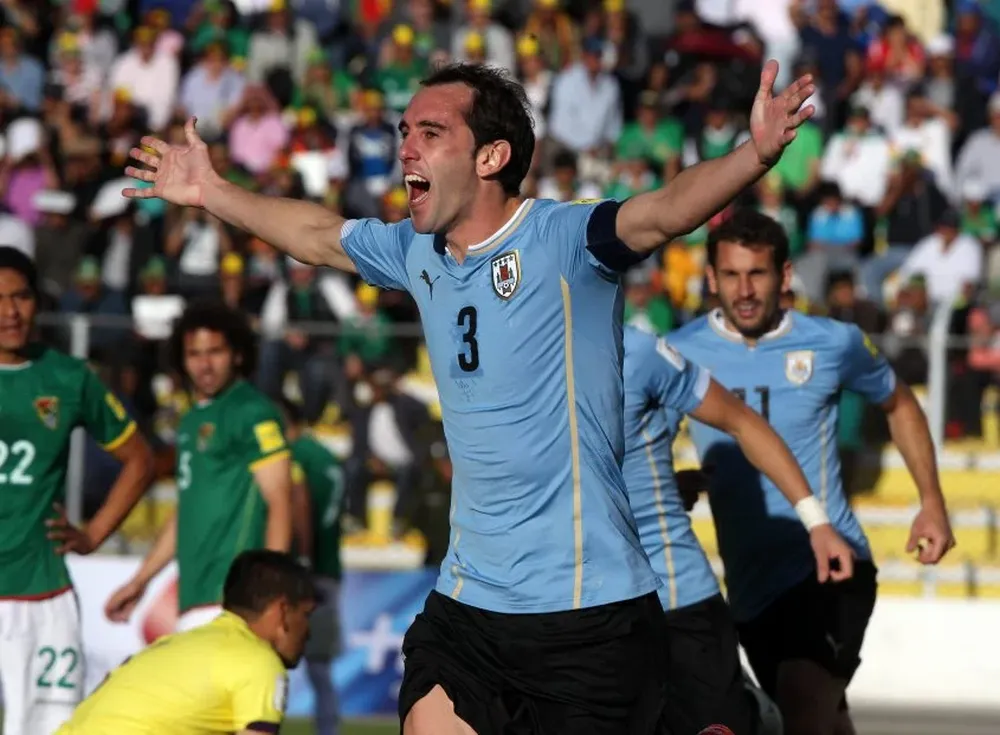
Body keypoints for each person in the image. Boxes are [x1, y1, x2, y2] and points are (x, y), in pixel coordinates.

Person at [123, 59, 825, 734]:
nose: (406, 147)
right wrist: (212, 191)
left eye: (430, 132)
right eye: (404, 130)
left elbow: (663, 213)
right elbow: (314, 235)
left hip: (588, 613)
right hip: (469, 605)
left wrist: (752, 156)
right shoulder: (417, 250)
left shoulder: (564, 241)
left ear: (490, 157)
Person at [668, 209, 956, 735]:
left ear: (784, 275)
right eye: (731, 275)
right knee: (820, 717)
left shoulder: (833, 342)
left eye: (757, 273)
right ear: (710, 279)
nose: (745, 290)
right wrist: (671, 481)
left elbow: (899, 404)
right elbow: (643, 435)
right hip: (750, 589)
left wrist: (931, 502)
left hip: (830, 565)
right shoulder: (681, 351)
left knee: (803, 701)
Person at [622, 324, 853, 735]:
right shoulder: (510, 359)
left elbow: (741, 422)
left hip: (675, 602)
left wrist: (817, 522)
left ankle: (755, 714)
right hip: (574, 612)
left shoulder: (636, 352)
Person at [0, 246, 155, 735]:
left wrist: (92, 535)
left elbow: (141, 461)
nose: (10, 312)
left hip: (40, 594)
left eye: (21, 297)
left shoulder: (67, 377)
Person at [104, 300, 293, 632]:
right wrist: (140, 580)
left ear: (237, 354)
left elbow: (279, 500)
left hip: (238, 604)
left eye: (215, 352)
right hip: (194, 599)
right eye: (194, 354)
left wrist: (272, 591)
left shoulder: (251, 411)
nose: (204, 365)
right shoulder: (192, 420)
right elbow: (187, 512)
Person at [56, 549, 317, 735]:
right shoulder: (258, 661)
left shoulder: (171, 645)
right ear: (282, 611)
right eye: (306, 615)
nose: (309, 631)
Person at [278, 397, 345, 735]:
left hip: (298, 572)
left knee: (270, 660)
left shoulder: (294, 457)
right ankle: (328, 730)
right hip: (328, 569)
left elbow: (298, 509)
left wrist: (300, 560)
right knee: (320, 666)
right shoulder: (327, 456)